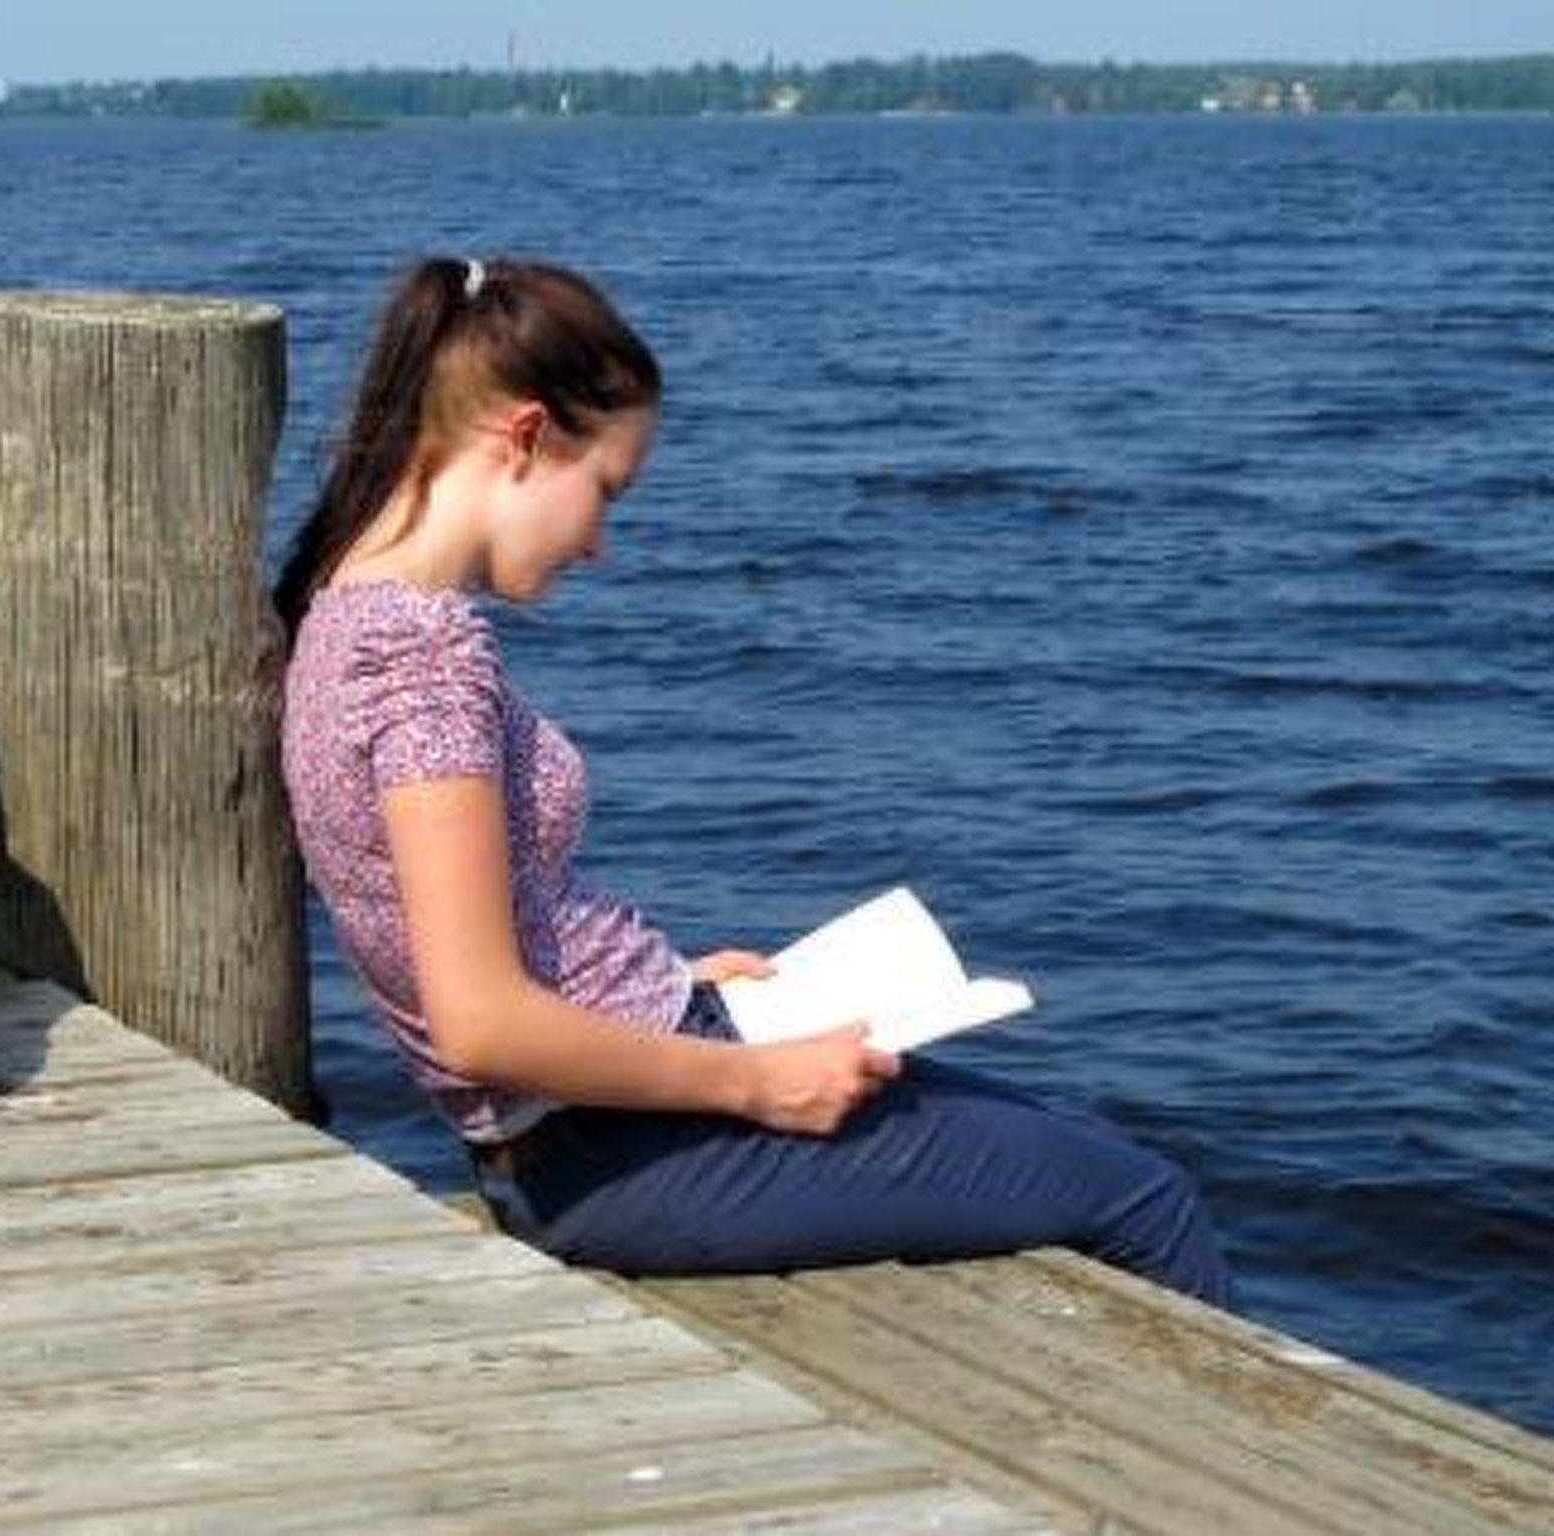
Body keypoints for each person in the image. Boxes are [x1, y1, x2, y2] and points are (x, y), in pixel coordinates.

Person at [276, 255, 1232, 1304]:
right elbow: (479, 1024)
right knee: (1144, 1199)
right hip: (604, 1150)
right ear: (525, 436)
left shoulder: (344, 615)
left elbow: (462, 932)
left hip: (608, 1111)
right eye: (604, 491)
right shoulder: (418, 661)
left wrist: (664, 983)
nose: (597, 543)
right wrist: (760, 1081)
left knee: (1065, 1146)